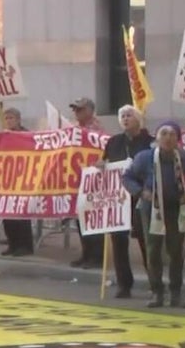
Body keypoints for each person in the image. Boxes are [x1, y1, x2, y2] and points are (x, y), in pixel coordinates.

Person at [122, 121, 185, 308]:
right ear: (156, 138)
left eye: (172, 134)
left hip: (176, 208)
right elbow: (127, 177)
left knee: (175, 251)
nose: (167, 138)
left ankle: (176, 293)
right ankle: (157, 292)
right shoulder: (145, 157)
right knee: (153, 251)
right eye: (164, 134)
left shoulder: (183, 157)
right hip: (151, 209)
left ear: (177, 139)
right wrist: (141, 192)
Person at [95, 105, 153, 298]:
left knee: (146, 240)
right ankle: (124, 284)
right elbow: (104, 162)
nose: (125, 119)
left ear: (138, 119)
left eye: (129, 115)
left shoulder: (150, 142)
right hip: (118, 198)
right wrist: (101, 165)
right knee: (118, 242)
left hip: (141, 197)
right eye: (122, 116)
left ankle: (155, 282)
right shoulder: (114, 142)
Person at [69, 97, 105, 269]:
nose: (77, 113)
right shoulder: (75, 130)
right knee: (81, 220)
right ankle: (86, 253)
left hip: (93, 180)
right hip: (78, 179)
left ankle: (96, 256)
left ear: (90, 110)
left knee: (93, 220)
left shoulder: (96, 130)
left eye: (80, 109)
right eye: (75, 109)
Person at [0, 108, 35, 257]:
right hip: (7, 179)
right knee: (7, 214)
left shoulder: (27, 135)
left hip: (23, 179)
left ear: (19, 119)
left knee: (21, 214)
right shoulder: (2, 136)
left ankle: (25, 246)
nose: (9, 121)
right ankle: (12, 244)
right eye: (6, 118)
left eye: (11, 118)